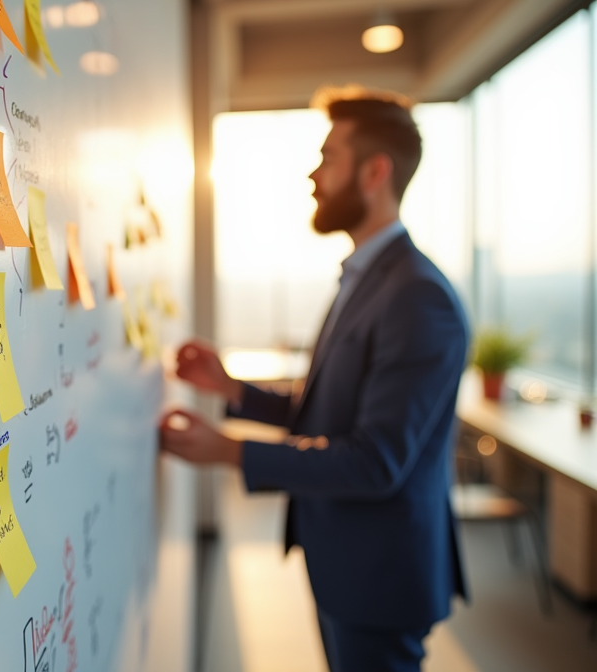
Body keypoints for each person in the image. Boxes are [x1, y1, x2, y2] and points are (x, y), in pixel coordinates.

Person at [160, 87, 469, 672]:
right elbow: (334, 407)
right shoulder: (369, 277)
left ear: (375, 172)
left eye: (329, 157)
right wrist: (232, 390)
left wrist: (230, 451)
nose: (313, 174)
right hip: (348, 561)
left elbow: (374, 460)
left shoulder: (417, 297)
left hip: (380, 576)